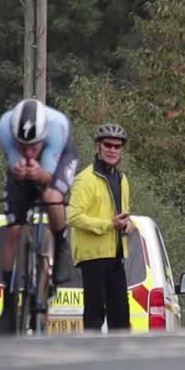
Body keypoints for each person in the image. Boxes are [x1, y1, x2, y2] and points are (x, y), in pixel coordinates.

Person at [0, 98, 79, 334]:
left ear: (42, 138)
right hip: (23, 168)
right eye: (23, 145)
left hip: (59, 156)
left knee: (52, 195)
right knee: (13, 229)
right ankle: (8, 301)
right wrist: (21, 171)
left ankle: (61, 245)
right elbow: (16, 170)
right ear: (14, 138)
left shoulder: (57, 127)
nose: (29, 151)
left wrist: (39, 174)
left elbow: (46, 178)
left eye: (34, 146)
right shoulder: (4, 128)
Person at [68, 123, 132, 332]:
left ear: (122, 150)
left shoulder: (122, 179)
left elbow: (123, 213)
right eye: (108, 145)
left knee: (121, 318)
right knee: (94, 316)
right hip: (93, 257)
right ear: (98, 146)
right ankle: (92, 359)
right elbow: (73, 216)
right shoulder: (85, 179)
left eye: (117, 146)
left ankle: (119, 361)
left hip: (116, 255)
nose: (112, 150)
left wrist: (128, 224)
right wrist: (108, 225)